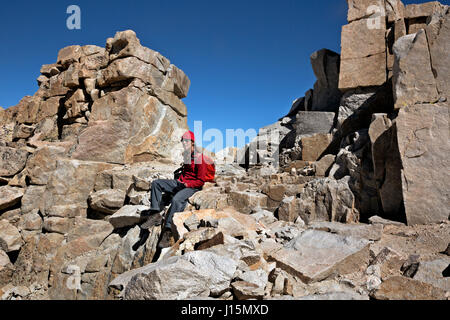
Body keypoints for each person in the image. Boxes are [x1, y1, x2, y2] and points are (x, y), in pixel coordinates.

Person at [141, 131, 206, 248]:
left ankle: (168, 231)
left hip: (192, 187)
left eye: (187, 141)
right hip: (180, 183)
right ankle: (156, 214)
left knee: (176, 200)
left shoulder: (199, 158)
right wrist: (179, 181)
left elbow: (201, 181)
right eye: (183, 141)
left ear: (192, 142)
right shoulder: (186, 155)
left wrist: (186, 184)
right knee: (156, 183)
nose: (184, 143)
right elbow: (185, 173)